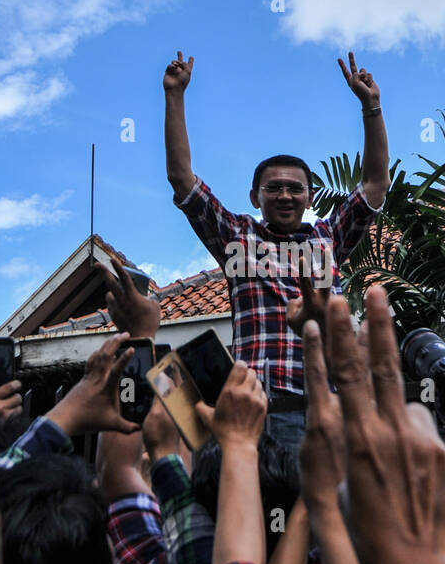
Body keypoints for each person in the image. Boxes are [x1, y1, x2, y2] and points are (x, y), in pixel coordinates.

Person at [162, 50, 389, 448]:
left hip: (328, 406)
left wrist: (372, 108)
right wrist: (175, 96)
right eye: (274, 188)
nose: (285, 195)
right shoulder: (238, 237)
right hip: (259, 410)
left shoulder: (328, 238)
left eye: (295, 187)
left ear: (309, 196)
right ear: (255, 197)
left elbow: (374, 185)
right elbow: (183, 181)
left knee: (328, 508)